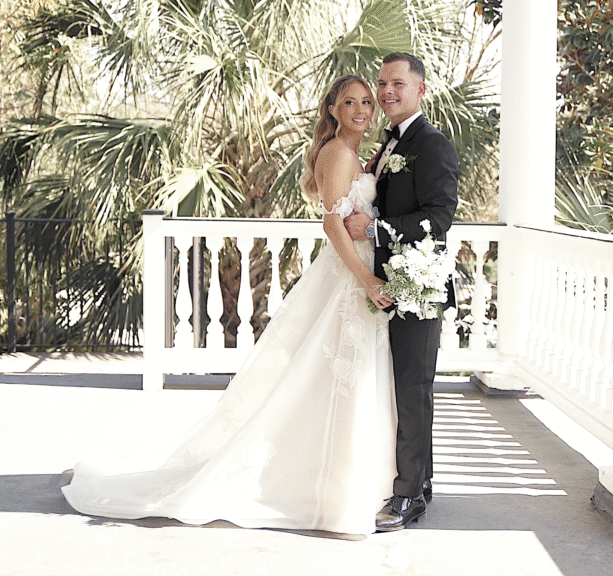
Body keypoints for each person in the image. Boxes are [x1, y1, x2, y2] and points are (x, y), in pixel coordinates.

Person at [61, 75, 399, 535]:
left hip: (352, 277)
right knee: (333, 378)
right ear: (332, 109)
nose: (362, 109)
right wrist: (366, 279)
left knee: (331, 381)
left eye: (366, 101)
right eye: (350, 102)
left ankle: (341, 484)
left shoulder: (356, 152)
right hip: (349, 279)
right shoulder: (339, 153)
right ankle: (326, 491)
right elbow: (333, 226)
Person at [344, 53, 459, 532]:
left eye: (397, 83)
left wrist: (376, 230)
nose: (386, 91)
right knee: (404, 391)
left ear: (421, 90)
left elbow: (439, 217)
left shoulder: (432, 144)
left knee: (413, 391)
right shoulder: (391, 142)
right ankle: (421, 482)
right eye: (382, 82)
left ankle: (408, 496)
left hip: (417, 287)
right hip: (391, 285)